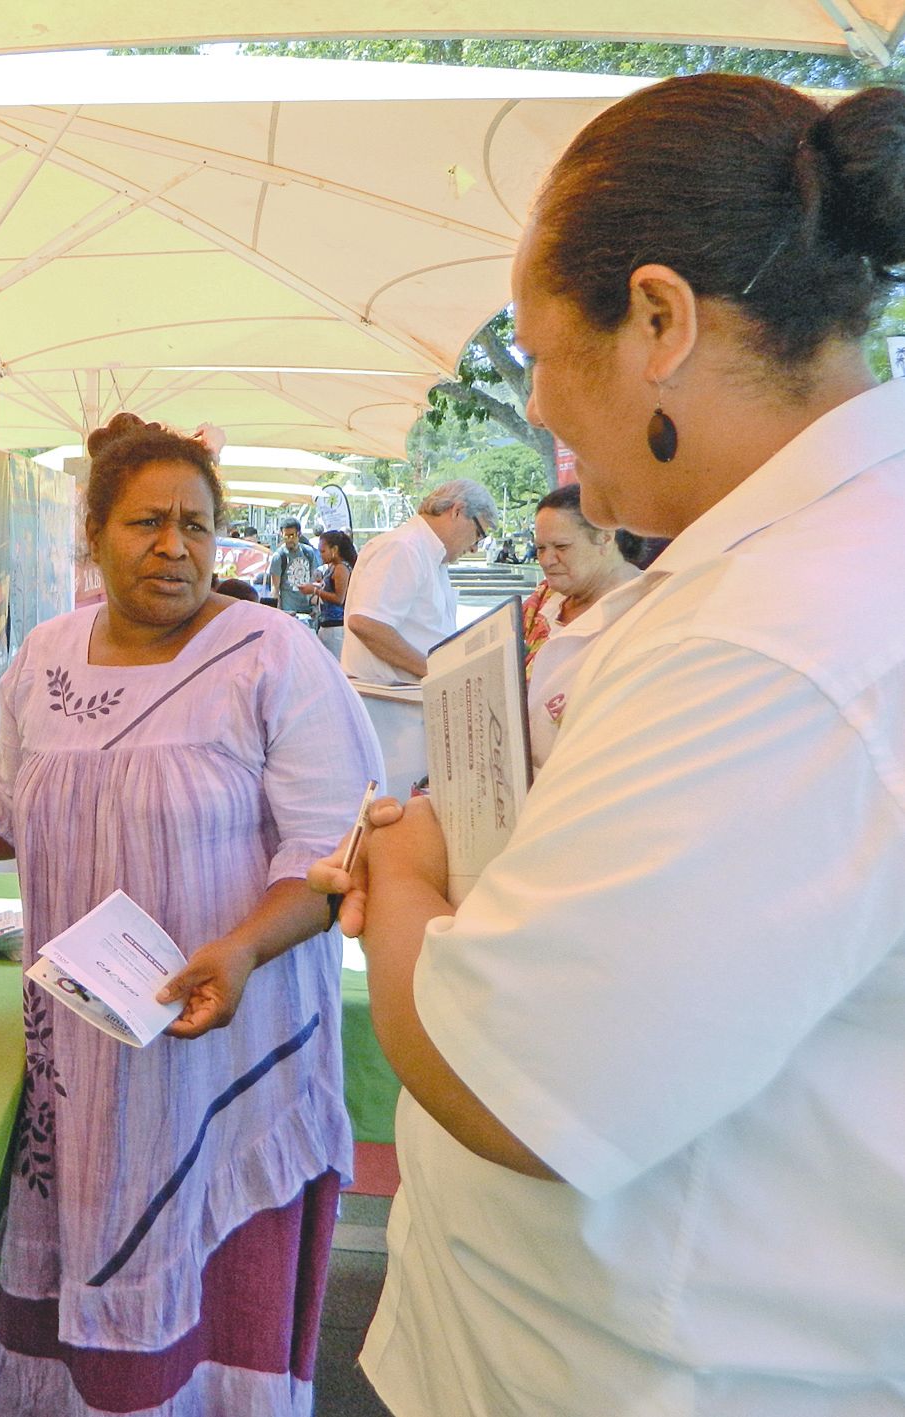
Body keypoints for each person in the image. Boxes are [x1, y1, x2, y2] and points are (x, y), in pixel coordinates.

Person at [310, 74, 905, 1416]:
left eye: (530, 352)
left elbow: (506, 1079)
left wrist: (404, 871)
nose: (537, 418)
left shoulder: (779, 635)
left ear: (656, 319)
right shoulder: (774, 574)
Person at [0, 411, 381, 1415]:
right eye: (146, 523)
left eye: (198, 525)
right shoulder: (46, 654)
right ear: (92, 534)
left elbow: (330, 854)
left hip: (221, 1033)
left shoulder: (273, 655)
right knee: (89, 1278)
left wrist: (246, 947)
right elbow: (6, 809)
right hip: (83, 1053)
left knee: (210, 1311)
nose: (175, 547)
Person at [520, 483, 647, 768]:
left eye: (561, 547)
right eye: (540, 548)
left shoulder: (644, 608)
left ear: (604, 538)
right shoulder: (543, 601)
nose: (546, 560)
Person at [339, 480, 496, 684]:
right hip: (390, 706)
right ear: (458, 510)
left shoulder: (430, 555)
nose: (475, 548)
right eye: (478, 535)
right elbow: (367, 623)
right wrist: (435, 671)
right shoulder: (405, 547)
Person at [308, 529, 356, 659]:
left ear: (334, 550)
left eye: (323, 551)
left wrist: (315, 591)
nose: (320, 555)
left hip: (336, 627)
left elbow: (339, 598)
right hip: (327, 624)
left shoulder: (341, 568)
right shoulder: (332, 567)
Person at [272, 518, 322, 621]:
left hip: (308, 611)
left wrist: (316, 606)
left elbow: (314, 581)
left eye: (292, 535)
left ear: (299, 534)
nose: (289, 539)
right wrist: (279, 612)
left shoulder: (308, 552)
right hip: (289, 612)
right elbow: (275, 588)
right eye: (286, 536)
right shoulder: (279, 556)